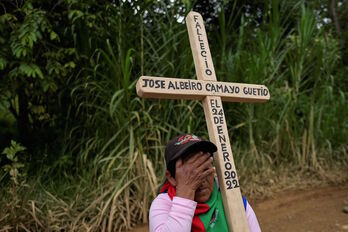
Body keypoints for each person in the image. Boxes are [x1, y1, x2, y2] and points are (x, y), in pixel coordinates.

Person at [149, 134, 261, 232]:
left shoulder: (233, 200)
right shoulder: (163, 205)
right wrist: (186, 192)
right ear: (171, 178)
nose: (200, 180)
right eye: (192, 174)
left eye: (205, 170)